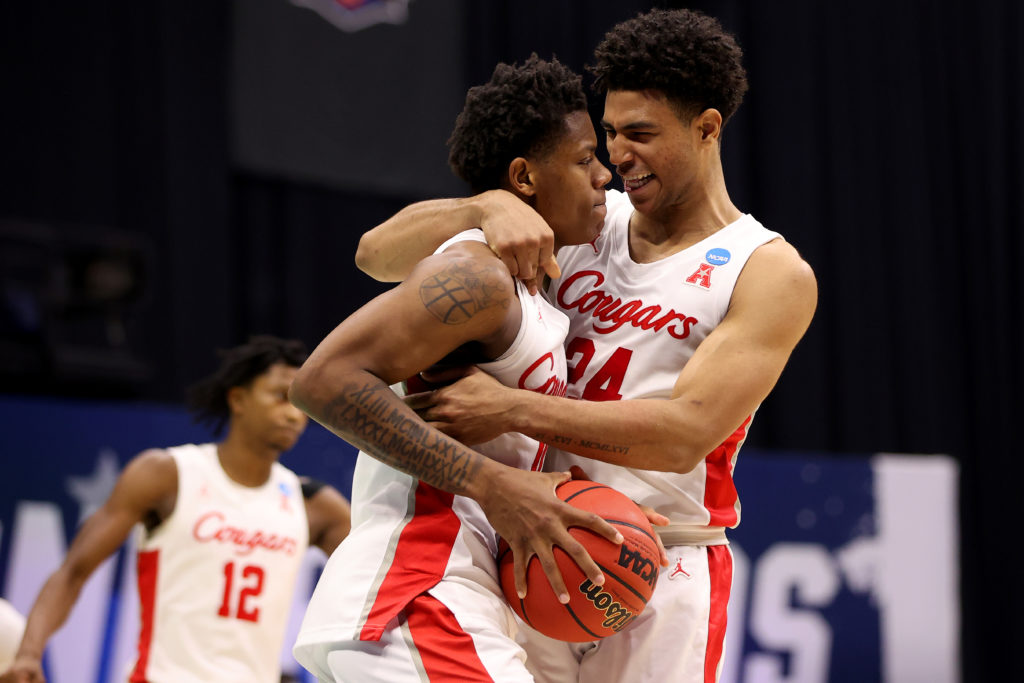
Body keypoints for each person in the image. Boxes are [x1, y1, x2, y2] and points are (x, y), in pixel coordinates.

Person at [354, 8, 818, 683]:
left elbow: (685, 432)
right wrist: (480, 207)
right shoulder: (587, 214)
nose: (618, 155)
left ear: (708, 128)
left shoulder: (768, 269)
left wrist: (511, 408)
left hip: (659, 557)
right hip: (534, 541)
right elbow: (376, 256)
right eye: (608, 134)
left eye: (641, 134)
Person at [288, 55, 629, 683]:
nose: (604, 174)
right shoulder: (478, 275)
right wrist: (497, 487)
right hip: (418, 593)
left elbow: (374, 251)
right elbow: (320, 382)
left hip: (441, 598)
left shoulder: (527, 288)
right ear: (525, 177)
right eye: (584, 160)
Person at [0, 335, 352, 683]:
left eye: (299, 403)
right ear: (238, 398)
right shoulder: (167, 475)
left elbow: (383, 580)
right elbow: (72, 573)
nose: (293, 415)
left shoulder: (312, 504)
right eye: (280, 397)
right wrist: (29, 654)